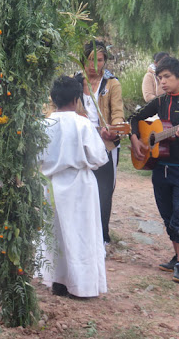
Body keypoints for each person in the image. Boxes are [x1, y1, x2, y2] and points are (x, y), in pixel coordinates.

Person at [128, 56, 179, 284]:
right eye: (159, 78)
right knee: (168, 216)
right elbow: (135, 118)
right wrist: (135, 139)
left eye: (167, 77)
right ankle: (177, 257)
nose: (162, 82)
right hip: (160, 168)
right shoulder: (160, 102)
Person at [39, 76, 109, 298]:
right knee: (82, 235)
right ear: (77, 99)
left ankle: (58, 281)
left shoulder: (43, 124)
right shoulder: (83, 124)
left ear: (53, 99)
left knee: (57, 233)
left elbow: (36, 158)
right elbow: (99, 158)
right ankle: (83, 286)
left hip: (52, 184)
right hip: (80, 185)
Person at [74, 40, 124, 244]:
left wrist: (114, 130)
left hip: (105, 145)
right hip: (78, 145)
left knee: (104, 191)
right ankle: (80, 235)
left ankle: (102, 237)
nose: (95, 64)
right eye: (90, 59)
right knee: (79, 190)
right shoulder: (74, 82)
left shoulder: (112, 84)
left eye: (100, 60)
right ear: (82, 60)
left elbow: (118, 113)